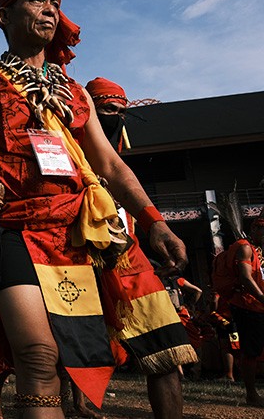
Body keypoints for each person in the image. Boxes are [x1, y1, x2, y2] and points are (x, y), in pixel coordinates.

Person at [0, 0, 188, 419]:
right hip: (16, 234)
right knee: (38, 359)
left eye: (54, 2)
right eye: (36, 0)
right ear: (3, 15)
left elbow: (109, 165)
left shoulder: (75, 92)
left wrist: (154, 221)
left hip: (86, 228)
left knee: (163, 341)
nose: (50, 9)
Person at [85, 77, 197, 418]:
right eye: (107, 110)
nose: (115, 118)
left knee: (166, 342)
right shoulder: (64, 138)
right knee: (59, 348)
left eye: (121, 112)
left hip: (121, 250)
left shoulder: (114, 159)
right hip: (68, 249)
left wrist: (156, 225)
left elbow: (117, 171)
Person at [213, 217, 264, 407]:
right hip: (248, 306)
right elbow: (245, 278)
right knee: (250, 350)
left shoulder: (257, 250)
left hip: (256, 304)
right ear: (255, 228)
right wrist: (262, 298)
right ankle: (251, 394)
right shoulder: (244, 247)